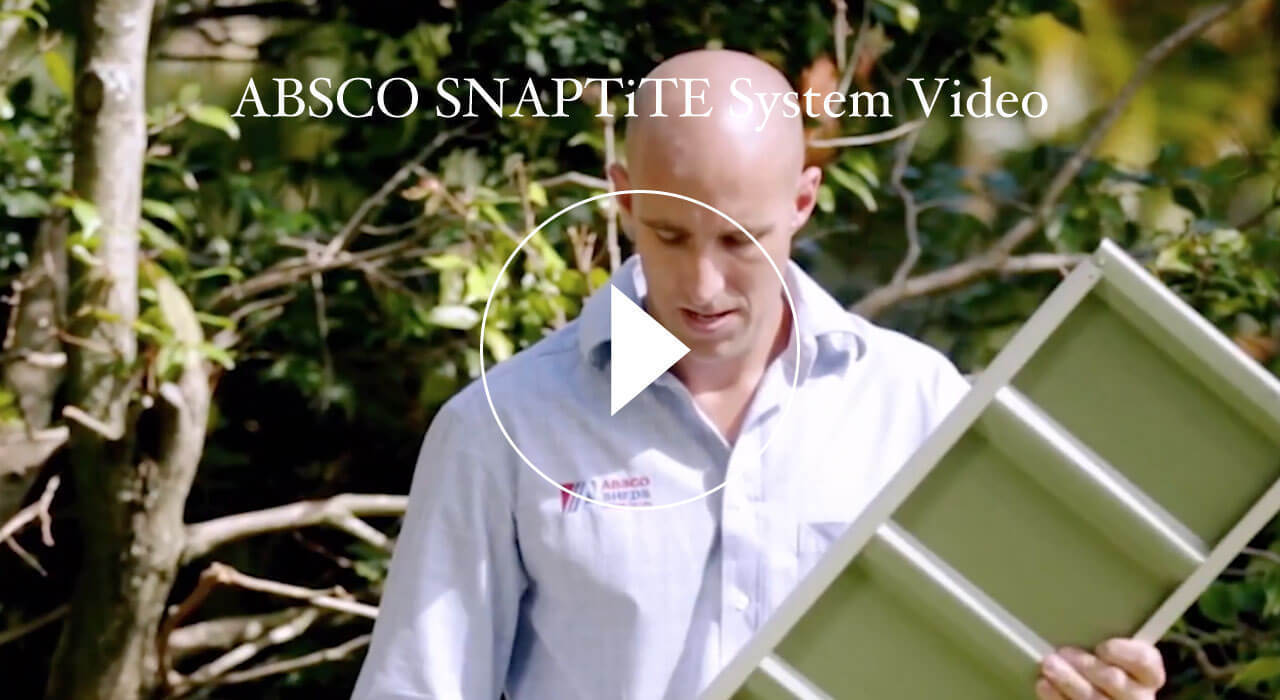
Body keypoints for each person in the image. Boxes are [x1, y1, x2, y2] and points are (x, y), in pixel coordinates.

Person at [351, 49, 1167, 700]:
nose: (704, 286)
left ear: (804, 202)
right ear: (623, 200)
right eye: (671, 236)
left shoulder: (916, 402)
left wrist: (1089, 684)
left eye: (740, 239)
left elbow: (1010, 655)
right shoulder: (503, 428)